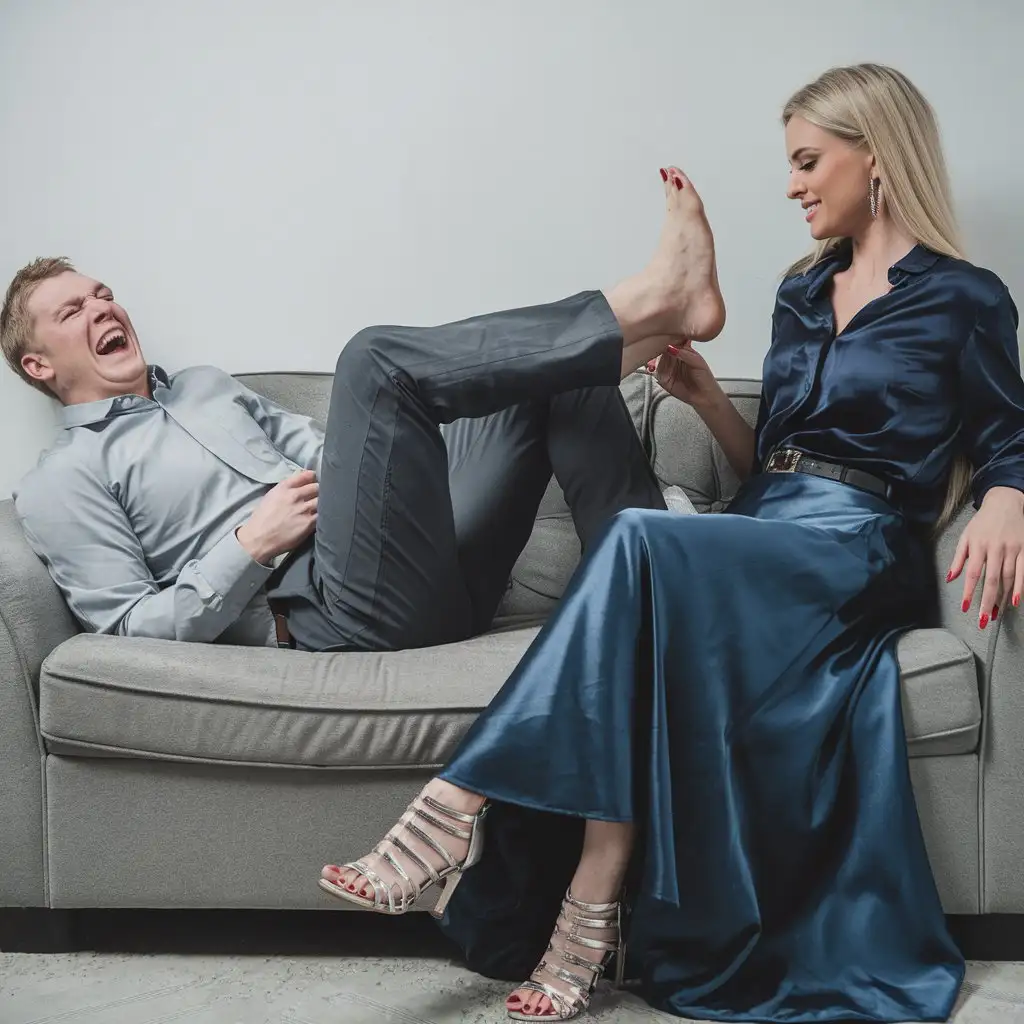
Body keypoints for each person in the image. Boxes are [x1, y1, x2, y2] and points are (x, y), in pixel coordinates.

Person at [319, 63, 1024, 1023]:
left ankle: (454, 809)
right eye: (791, 165)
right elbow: (770, 460)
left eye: (809, 161)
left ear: (878, 154)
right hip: (766, 530)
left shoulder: (965, 297)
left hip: (859, 548)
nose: (792, 185)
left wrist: (1007, 497)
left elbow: (1004, 434)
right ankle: (590, 906)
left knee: (643, 543)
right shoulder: (801, 294)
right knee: (644, 589)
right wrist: (705, 404)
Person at [2, 179, 724, 654]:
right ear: (39, 365)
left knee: (556, 369)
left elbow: (339, 454)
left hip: (411, 566)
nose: (103, 308)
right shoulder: (63, 479)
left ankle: (654, 600)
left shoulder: (202, 388)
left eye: (102, 295)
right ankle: (642, 304)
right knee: (372, 360)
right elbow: (128, 630)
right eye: (74, 311)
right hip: (327, 613)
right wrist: (251, 543)